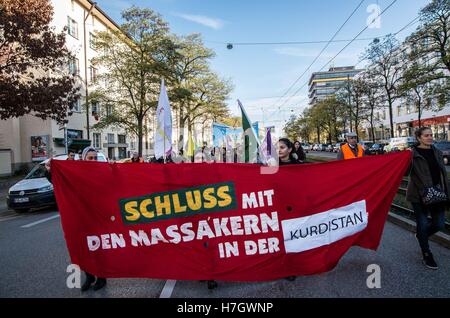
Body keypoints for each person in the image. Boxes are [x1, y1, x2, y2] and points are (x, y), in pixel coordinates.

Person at [406, 127, 448, 270]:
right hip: (418, 195)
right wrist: (403, 159)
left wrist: (446, 192)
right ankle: (427, 253)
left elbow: (442, 174)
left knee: (439, 224)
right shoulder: (411, 154)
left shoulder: (437, 152)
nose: (430, 137)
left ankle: (422, 235)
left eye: (431, 135)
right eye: (426, 135)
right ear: (419, 138)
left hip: (437, 193)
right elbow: (405, 172)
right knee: (422, 224)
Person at [79, 146, 107, 291]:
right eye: (90, 158)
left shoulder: (102, 172)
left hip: (98, 218)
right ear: (83, 159)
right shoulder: (76, 174)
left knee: (99, 248)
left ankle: (101, 278)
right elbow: (59, 183)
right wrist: (49, 172)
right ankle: (89, 276)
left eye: (95, 158)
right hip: (82, 219)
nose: (93, 160)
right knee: (84, 249)